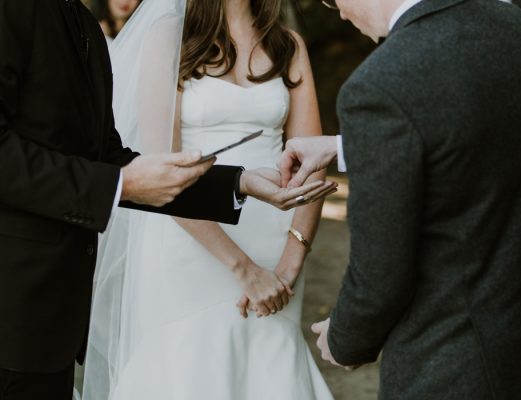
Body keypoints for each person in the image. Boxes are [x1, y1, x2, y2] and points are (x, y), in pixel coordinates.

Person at [0, 0, 334, 399]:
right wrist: (121, 184)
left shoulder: (79, 21)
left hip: (45, 322)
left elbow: (106, 156)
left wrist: (237, 184)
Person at [281, 0, 521, 399]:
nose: (338, 12)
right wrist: (344, 147)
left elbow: (380, 274)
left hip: (452, 365)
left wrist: (345, 338)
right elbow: (476, 132)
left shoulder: (379, 84)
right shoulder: (519, 27)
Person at [82, 0, 334, 399]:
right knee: (192, 369)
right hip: (189, 242)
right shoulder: (169, 39)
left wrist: (290, 262)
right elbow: (161, 172)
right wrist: (243, 268)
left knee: (270, 370)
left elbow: (312, 162)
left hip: (276, 246)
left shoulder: (287, 46)